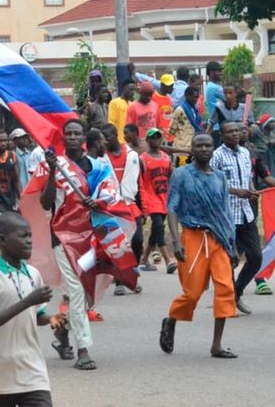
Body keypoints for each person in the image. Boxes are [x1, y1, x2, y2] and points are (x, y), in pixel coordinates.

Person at [0, 212, 65, 407]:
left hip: (31, 369)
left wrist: (51, 319)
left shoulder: (33, 274)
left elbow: (36, 314)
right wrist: (28, 301)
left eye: (30, 235)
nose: (29, 241)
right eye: (23, 236)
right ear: (3, 240)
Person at [159, 134, 238, 359]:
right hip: (193, 237)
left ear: (213, 149)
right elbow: (172, 208)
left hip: (218, 239)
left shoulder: (220, 177)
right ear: (191, 149)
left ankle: (217, 344)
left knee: (225, 289)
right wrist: (175, 242)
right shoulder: (182, 175)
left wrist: (231, 245)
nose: (203, 149)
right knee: (193, 292)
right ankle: (172, 319)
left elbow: (225, 213)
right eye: (199, 145)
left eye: (207, 145)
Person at [39, 119, 98, 371]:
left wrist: (98, 203)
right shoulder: (55, 166)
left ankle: (61, 333)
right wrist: (52, 172)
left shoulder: (96, 167)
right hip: (62, 235)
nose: (73, 137)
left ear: (84, 137)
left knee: (84, 293)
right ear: (63, 138)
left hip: (91, 238)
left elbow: (109, 197)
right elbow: (45, 203)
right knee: (75, 290)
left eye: (77, 133)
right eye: (69, 134)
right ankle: (83, 348)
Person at [210, 121, 261, 315]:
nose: (235, 134)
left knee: (256, 256)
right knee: (229, 260)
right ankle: (226, 301)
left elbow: (248, 179)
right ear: (222, 135)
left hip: (246, 213)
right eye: (230, 132)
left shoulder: (245, 153)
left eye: (237, 131)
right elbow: (212, 182)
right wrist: (235, 191)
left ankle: (236, 292)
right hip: (227, 215)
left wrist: (252, 191)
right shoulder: (216, 156)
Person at [102, 124, 143, 296]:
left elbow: (140, 183)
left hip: (131, 204)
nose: (105, 142)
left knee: (138, 241)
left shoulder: (133, 155)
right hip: (112, 206)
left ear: (115, 136)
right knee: (119, 245)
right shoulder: (101, 158)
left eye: (108, 138)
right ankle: (120, 280)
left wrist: (143, 207)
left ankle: (131, 271)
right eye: (102, 140)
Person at [138, 128, 176, 273]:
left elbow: (172, 176)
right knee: (159, 227)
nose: (156, 140)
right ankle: (168, 261)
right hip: (150, 198)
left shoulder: (166, 158)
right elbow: (140, 181)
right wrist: (143, 204)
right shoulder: (143, 159)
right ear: (147, 140)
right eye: (152, 138)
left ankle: (143, 259)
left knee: (155, 231)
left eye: (158, 137)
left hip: (164, 198)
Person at [169, 85, 203, 156]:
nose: (195, 99)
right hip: (182, 147)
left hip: (193, 146)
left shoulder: (194, 110)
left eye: (197, 97)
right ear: (187, 95)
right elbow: (171, 130)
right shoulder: (180, 110)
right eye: (194, 97)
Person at [151, 74, 175, 143]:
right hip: (160, 136)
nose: (171, 88)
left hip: (170, 136)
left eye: (172, 86)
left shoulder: (169, 98)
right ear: (162, 85)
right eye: (169, 86)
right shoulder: (154, 98)